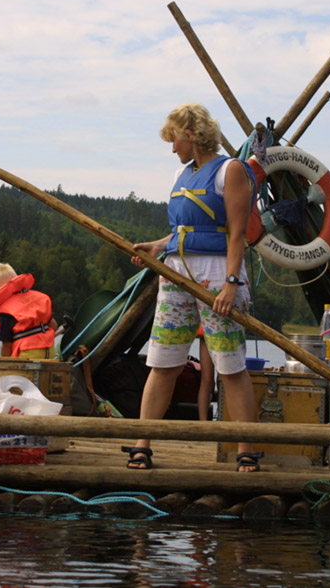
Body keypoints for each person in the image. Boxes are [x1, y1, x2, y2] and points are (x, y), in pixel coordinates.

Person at [124, 103, 261, 472]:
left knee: (230, 366)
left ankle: (246, 448)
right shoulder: (180, 174)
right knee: (163, 362)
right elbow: (185, 230)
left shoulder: (230, 170)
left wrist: (232, 284)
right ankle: (143, 444)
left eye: (174, 140)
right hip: (176, 273)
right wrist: (158, 246)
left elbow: (236, 233)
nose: (172, 149)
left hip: (217, 274)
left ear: (189, 134)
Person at [0, 263, 58, 359]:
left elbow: (6, 345)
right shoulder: (37, 299)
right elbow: (53, 325)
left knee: (12, 372)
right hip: (49, 350)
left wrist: (3, 365)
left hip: (27, 353)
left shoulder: (5, 312)